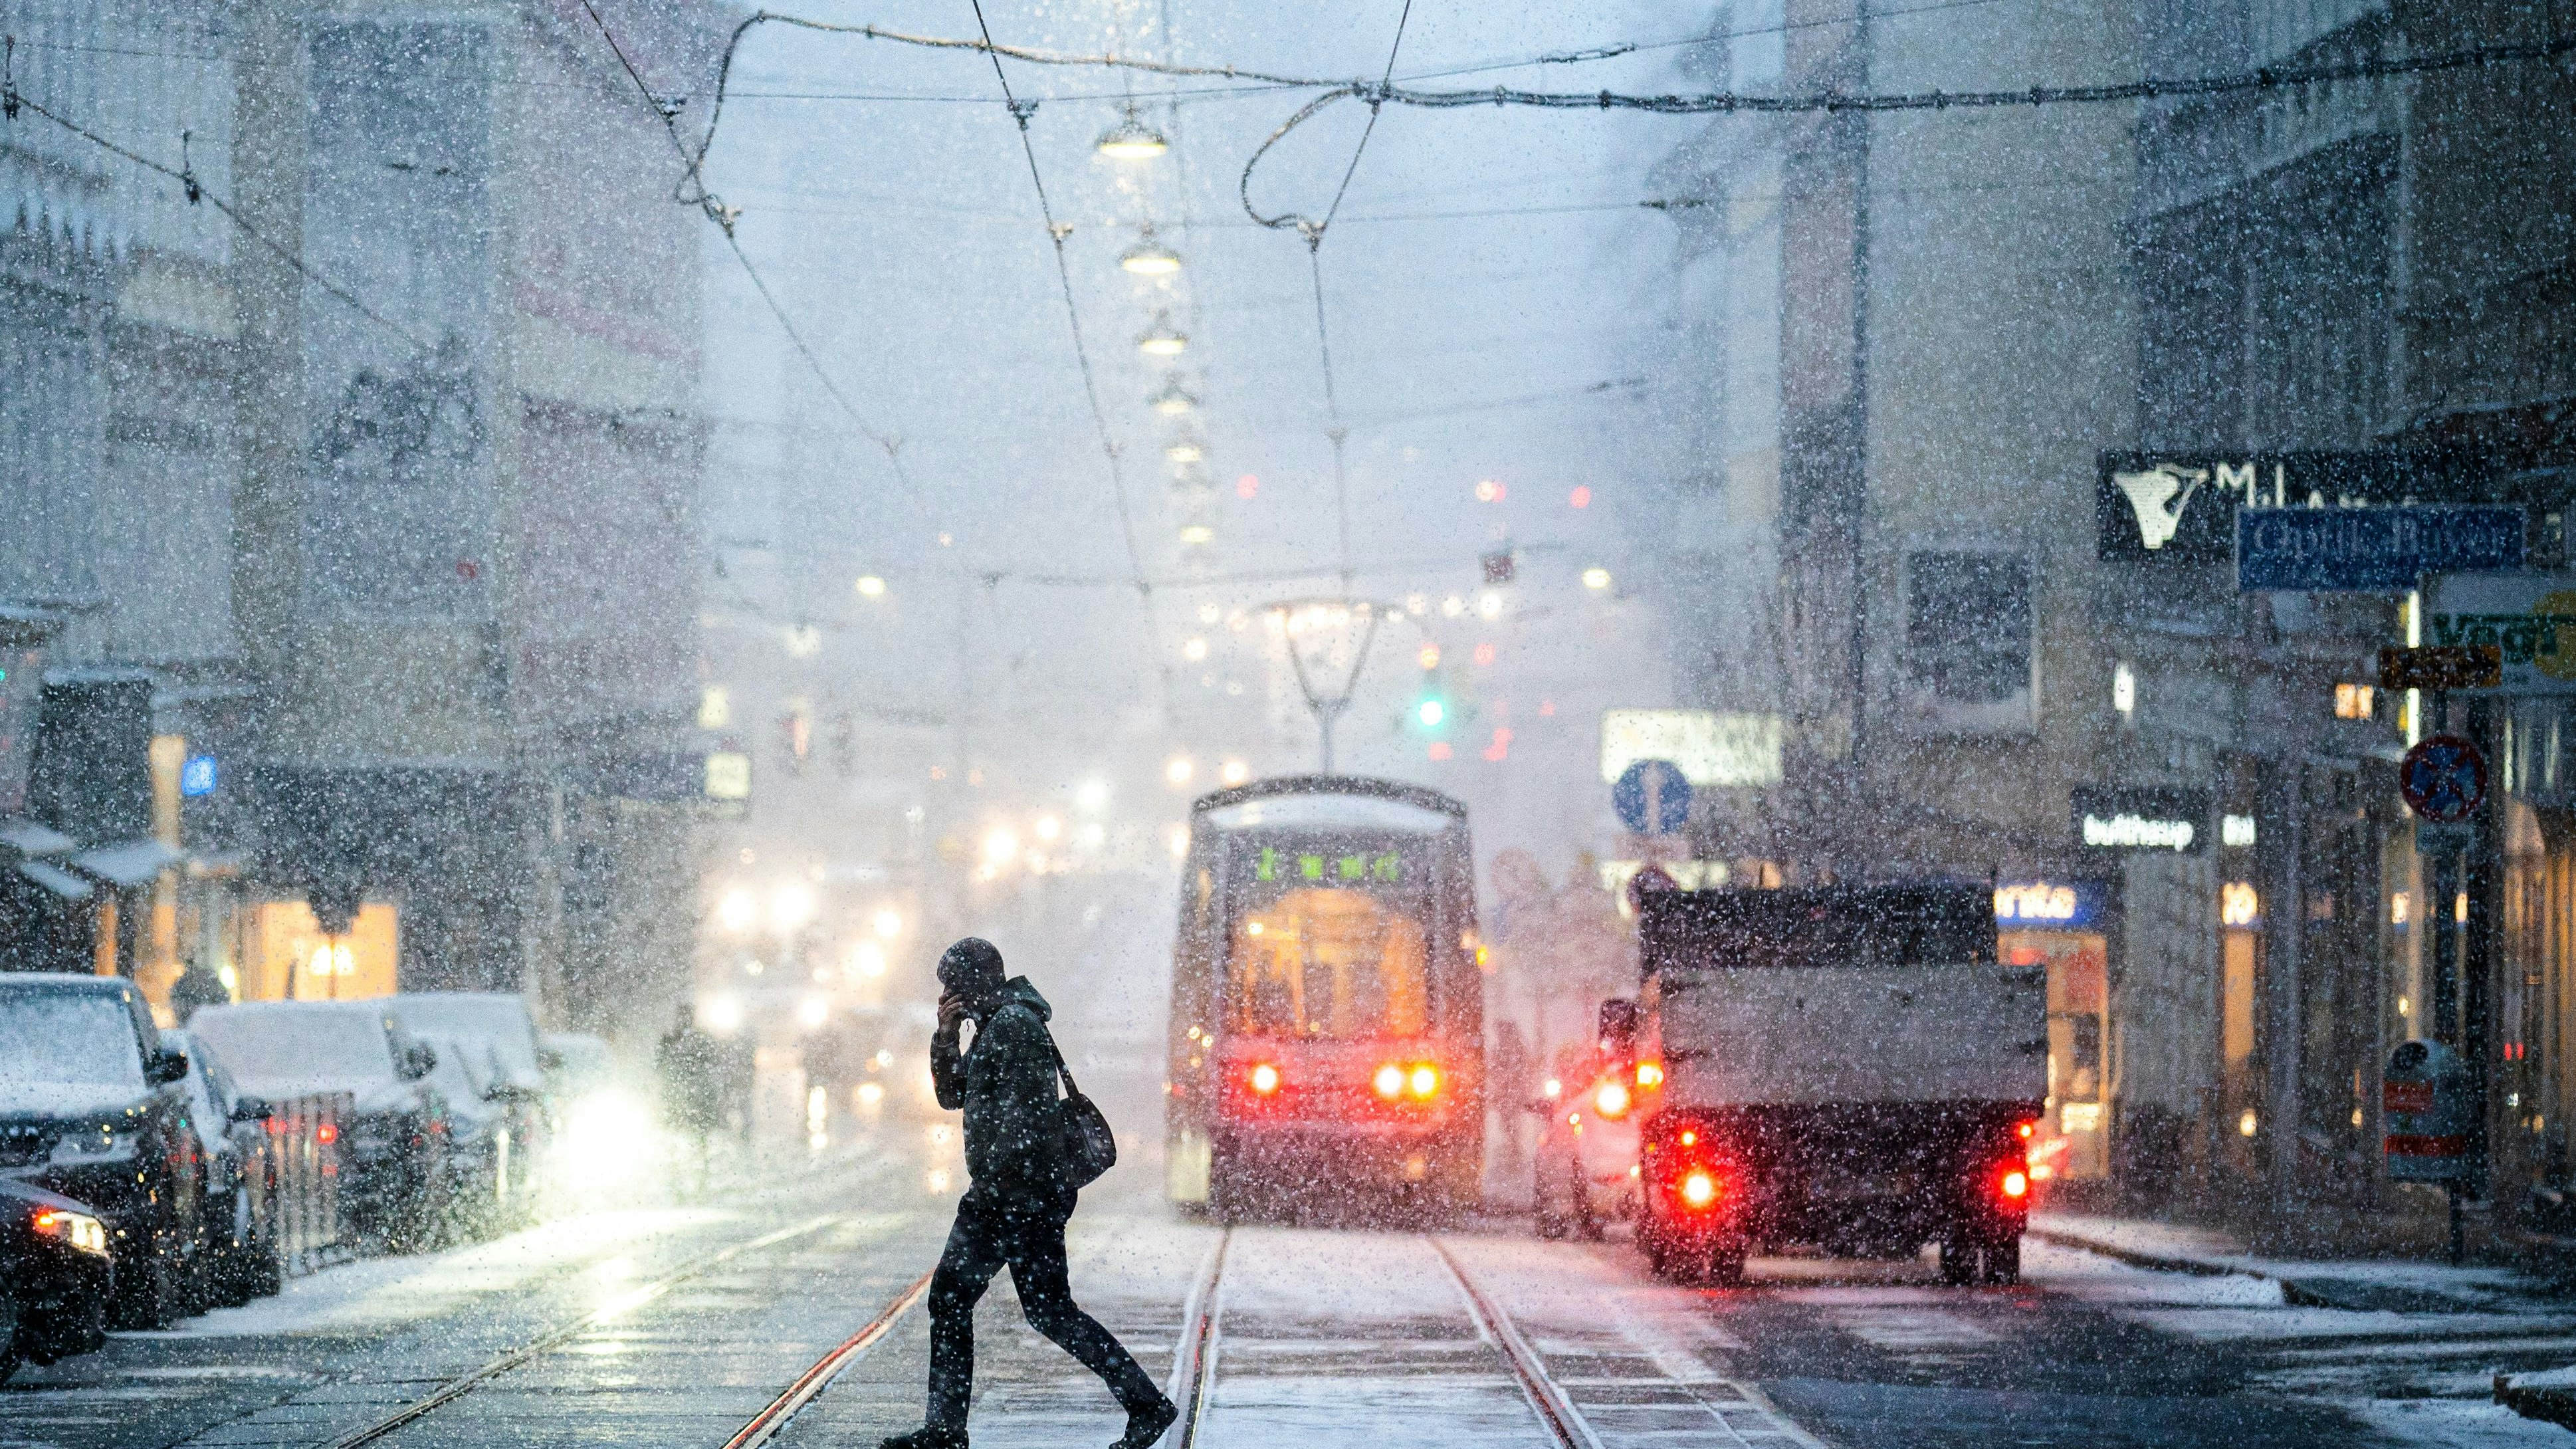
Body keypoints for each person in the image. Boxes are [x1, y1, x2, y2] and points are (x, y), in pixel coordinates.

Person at [881, 938, 1176, 1449]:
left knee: (986, 1304)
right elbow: (952, 1095)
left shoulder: (1013, 1027)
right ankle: (1144, 1405)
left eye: (953, 983)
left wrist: (996, 1191)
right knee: (1024, 1309)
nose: (948, 993)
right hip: (1015, 1197)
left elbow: (1026, 1122)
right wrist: (945, 1034)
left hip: (1016, 1199)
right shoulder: (995, 1024)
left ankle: (948, 1432)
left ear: (976, 980)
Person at [657, 1005, 726, 1197]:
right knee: (689, 1141)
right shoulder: (692, 1040)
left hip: (686, 1097)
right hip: (684, 1097)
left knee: (691, 1141)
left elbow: (659, 1067)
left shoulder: (680, 1039)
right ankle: (690, 1181)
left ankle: (691, 1181)